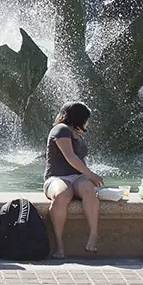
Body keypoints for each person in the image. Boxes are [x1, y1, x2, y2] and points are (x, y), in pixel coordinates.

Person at [43, 101, 104, 258]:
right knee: (62, 194)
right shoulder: (61, 129)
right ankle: (59, 246)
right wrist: (91, 175)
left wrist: (89, 179)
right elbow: (70, 157)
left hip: (77, 177)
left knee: (89, 190)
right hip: (56, 177)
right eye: (85, 119)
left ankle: (94, 236)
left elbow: (81, 161)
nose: (87, 123)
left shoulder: (77, 133)